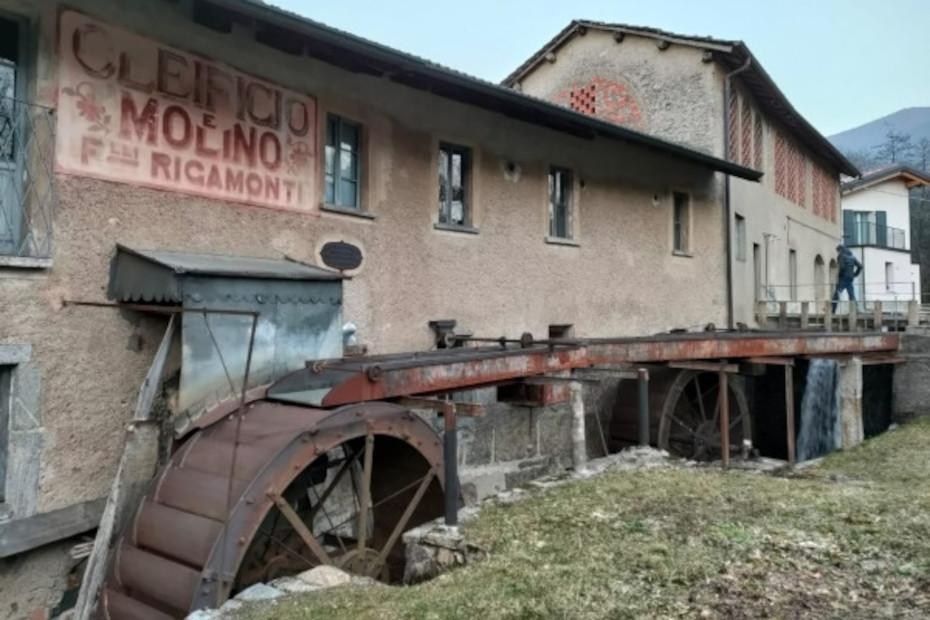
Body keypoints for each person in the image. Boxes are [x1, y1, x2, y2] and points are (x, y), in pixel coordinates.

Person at [832, 244, 862, 312]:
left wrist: (839, 275)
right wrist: (855, 274)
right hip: (850, 278)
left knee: (836, 294)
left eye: (838, 251)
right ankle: (855, 310)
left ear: (840, 250)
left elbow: (842, 267)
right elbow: (860, 266)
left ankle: (832, 310)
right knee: (851, 295)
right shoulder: (852, 256)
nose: (838, 252)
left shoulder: (841, 256)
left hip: (843, 278)